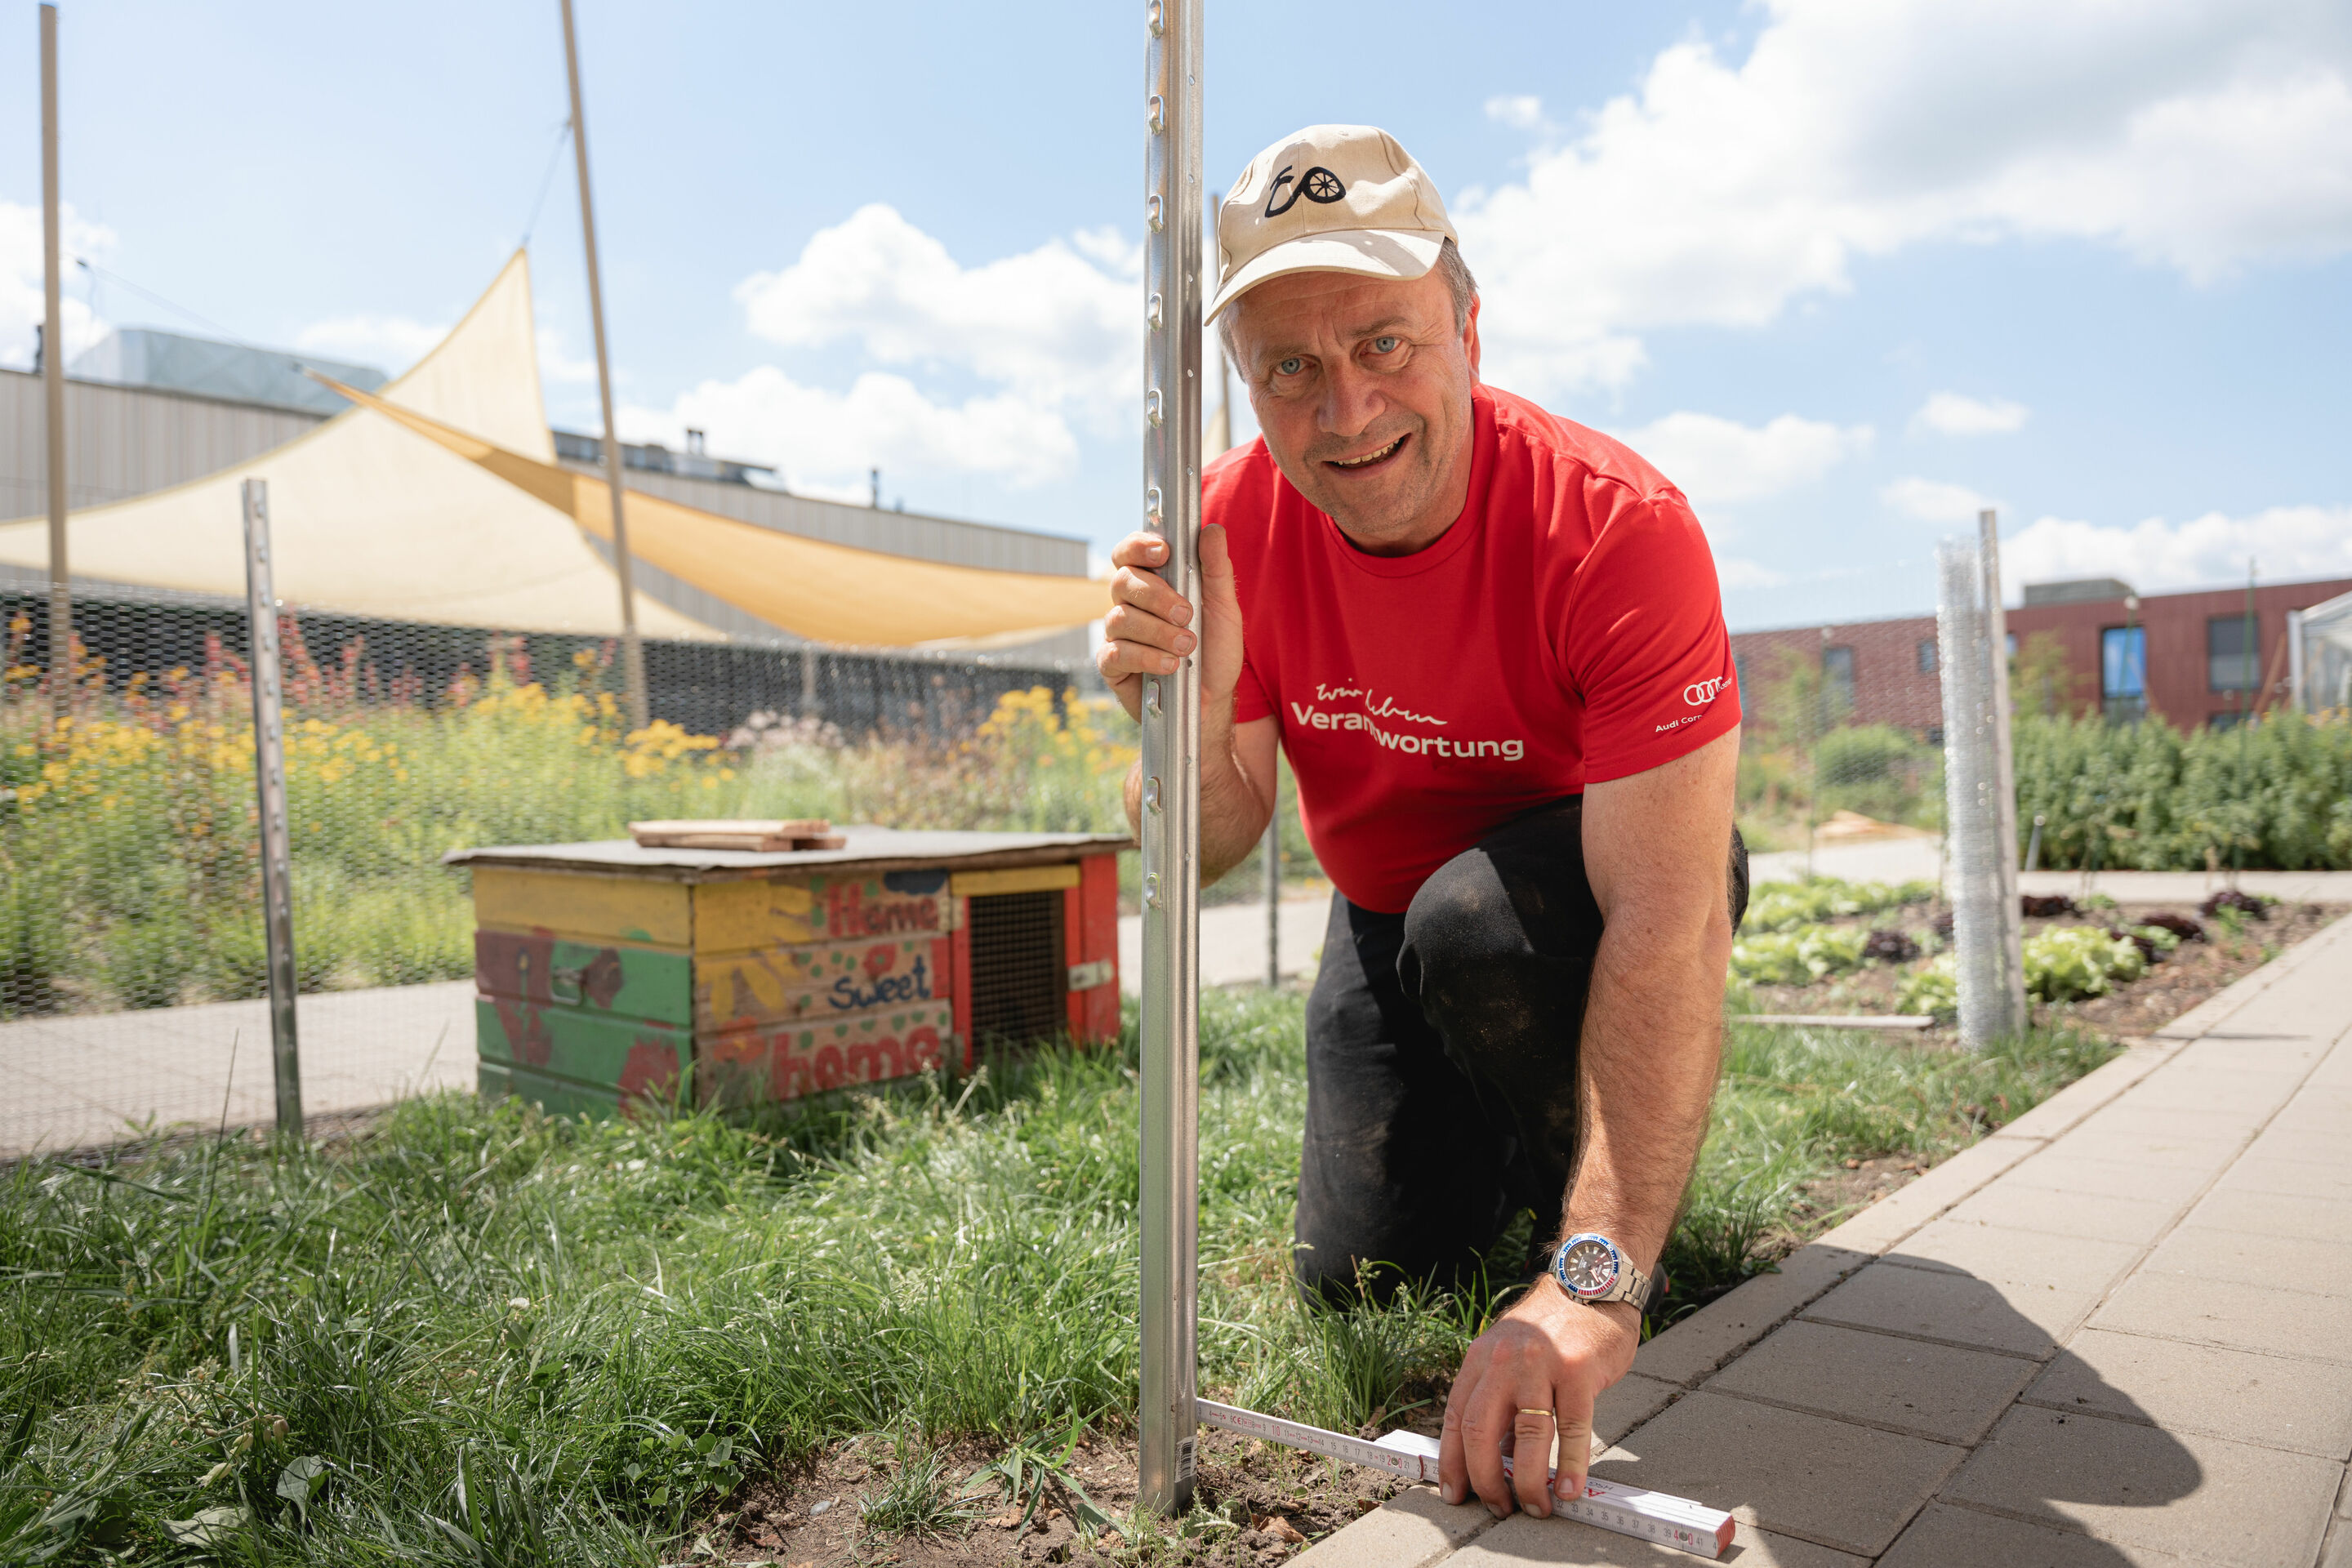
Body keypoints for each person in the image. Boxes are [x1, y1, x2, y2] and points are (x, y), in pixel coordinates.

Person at [1098, 124, 1748, 1523]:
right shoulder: (1224, 533)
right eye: (1290, 368)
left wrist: (1594, 1283)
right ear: (1245, 385)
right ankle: (1515, 1149)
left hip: (1574, 896)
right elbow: (1200, 850)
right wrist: (1184, 714)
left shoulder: (1615, 526)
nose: (1346, 408)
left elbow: (1669, 918)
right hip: (1382, 911)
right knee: (1365, 1273)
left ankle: (1593, 1221)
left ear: (1468, 327)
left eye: (1384, 342)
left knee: (1480, 930)